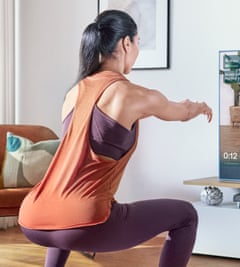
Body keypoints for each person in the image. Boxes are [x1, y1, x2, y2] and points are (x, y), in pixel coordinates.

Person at [18, 10, 212, 267]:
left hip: (32, 216)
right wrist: (198, 107)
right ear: (126, 43)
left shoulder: (73, 93)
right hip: (87, 223)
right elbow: (181, 112)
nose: (138, 50)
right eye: (138, 42)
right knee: (186, 215)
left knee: (68, 211)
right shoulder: (132, 94)